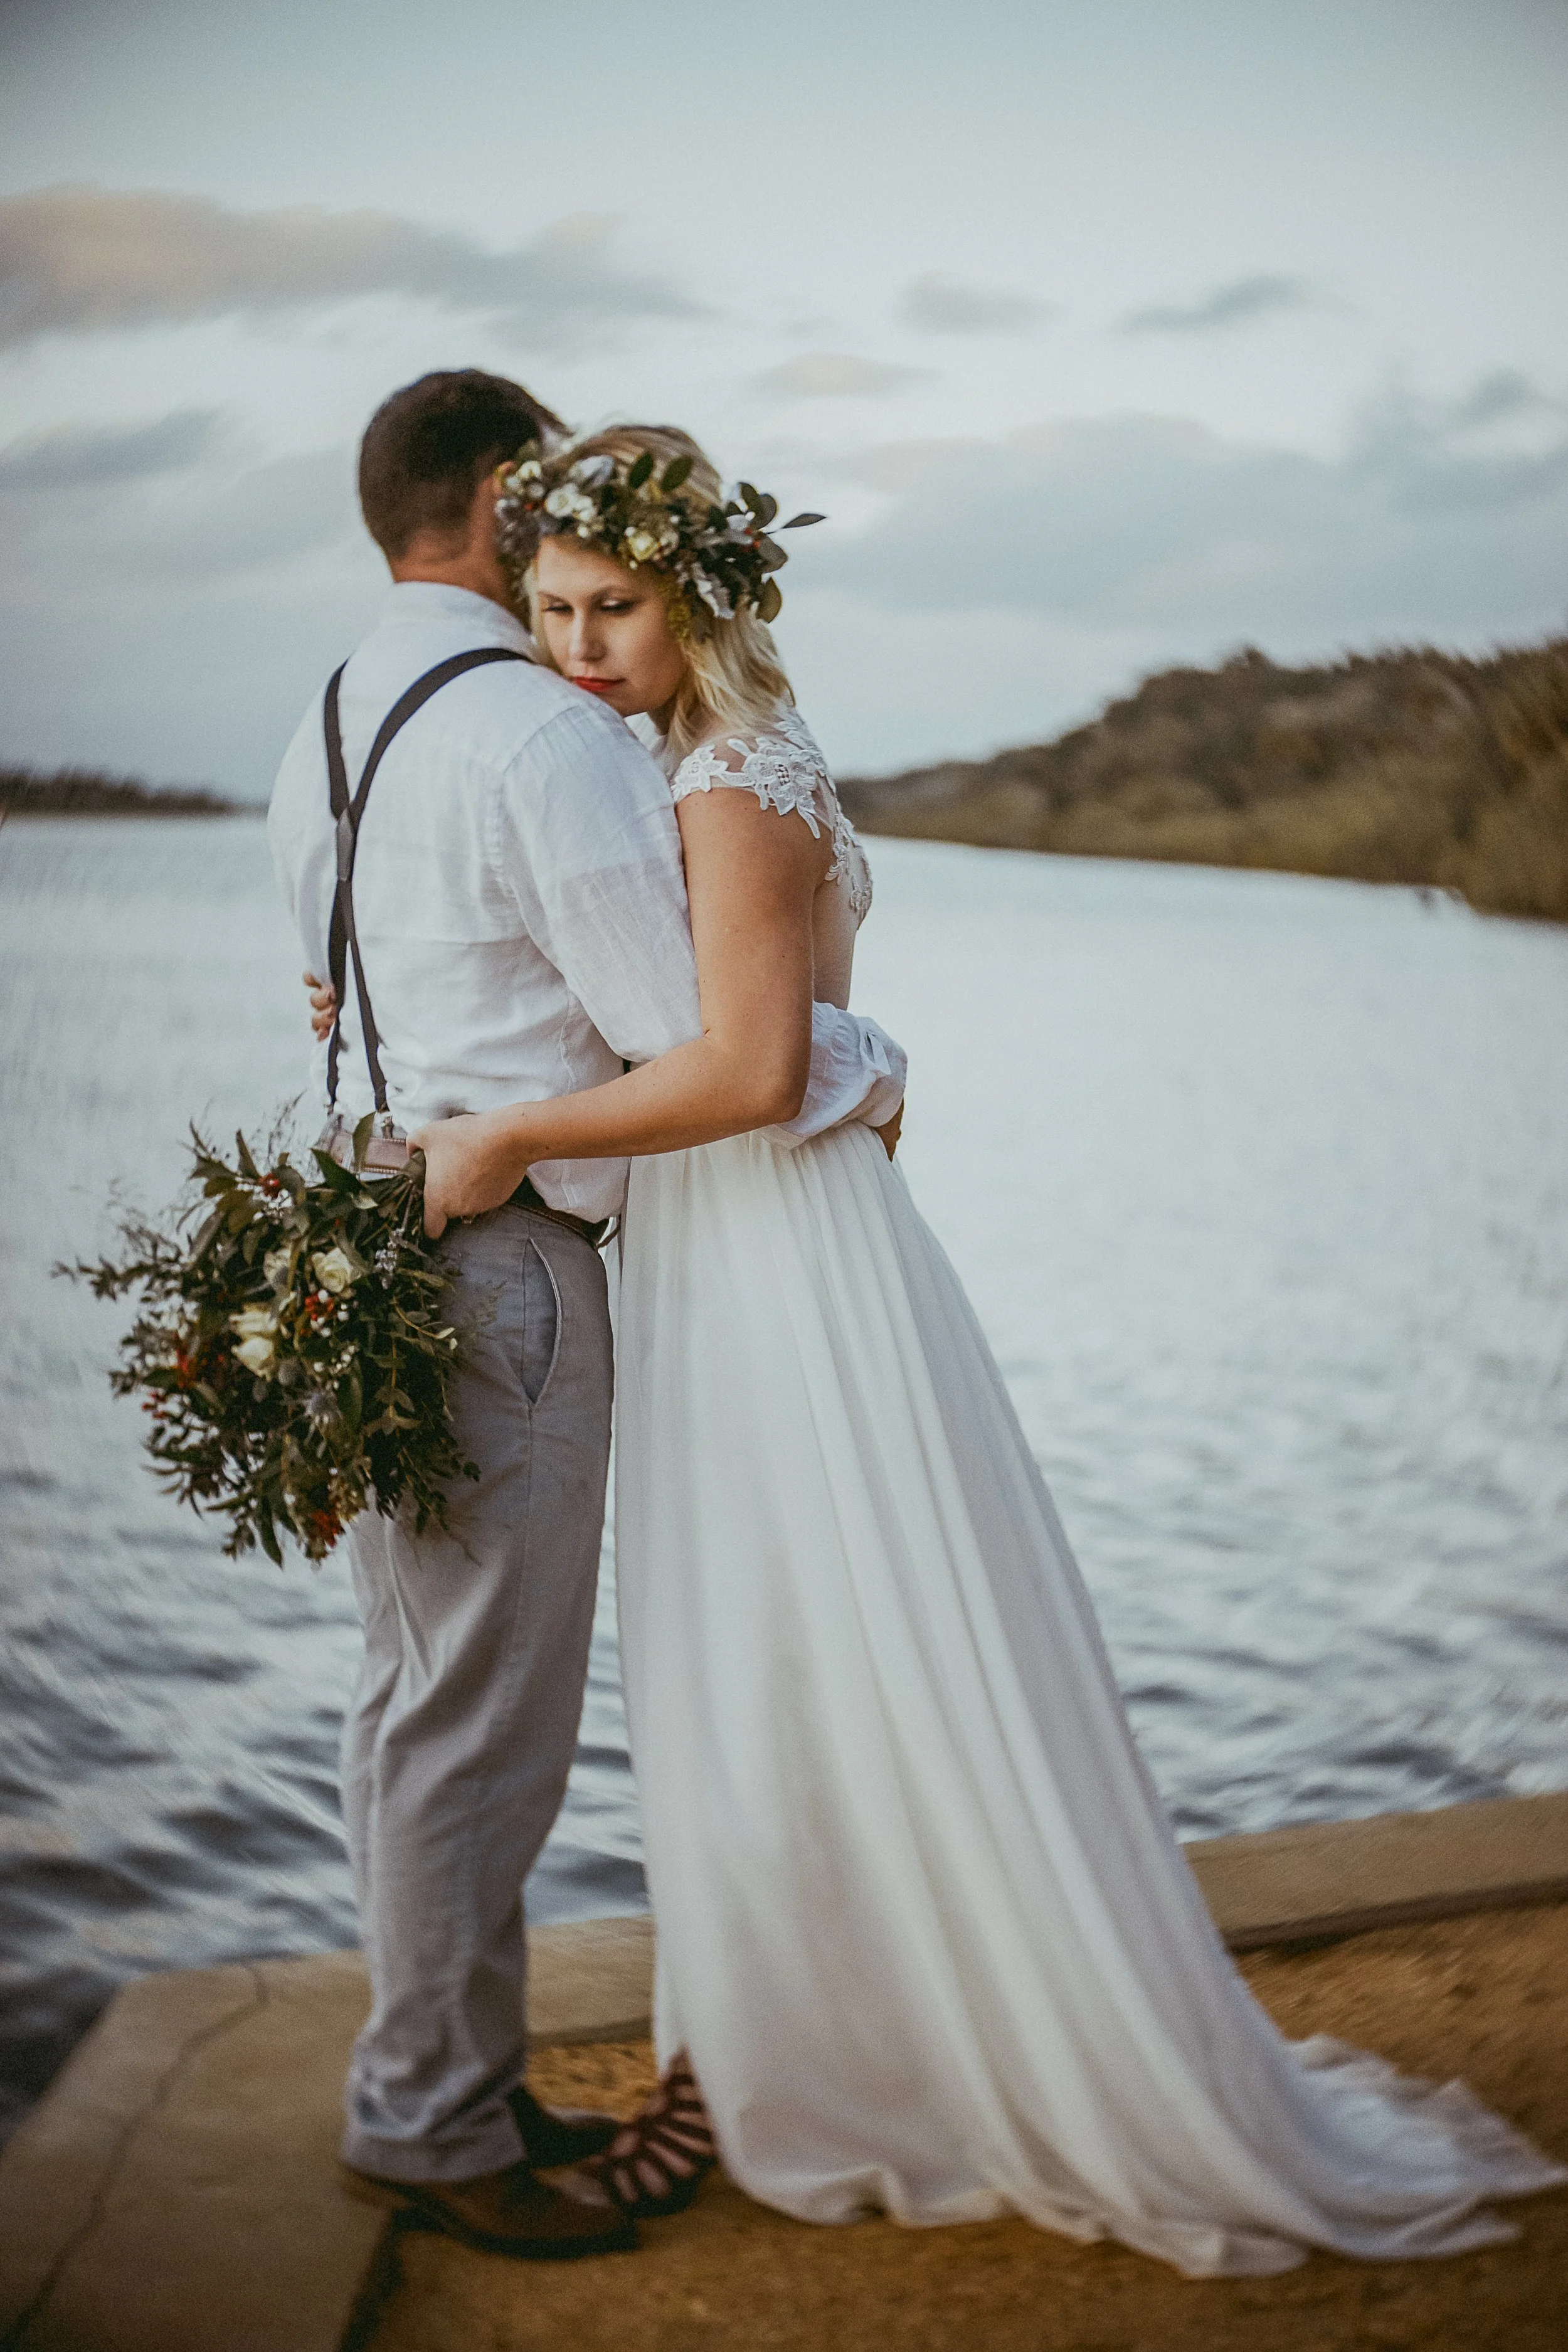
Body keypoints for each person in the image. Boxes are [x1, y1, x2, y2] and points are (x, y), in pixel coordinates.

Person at [398, 420, 1566, 2276]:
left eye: (611, 606)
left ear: (695, 591)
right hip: (753, 1241)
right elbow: (716, 1029)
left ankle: (769, 2065)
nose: (576, 648)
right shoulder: (682, 760)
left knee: (780, 1647)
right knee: (776, 1654)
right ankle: (779, 2037)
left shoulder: (719, 773)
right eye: (546, 610)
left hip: (773, 1257)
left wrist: (511, 1133)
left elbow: (754, 1068)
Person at [268, 373, 905, 2264]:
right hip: (505, 1258)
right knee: (480, 1731)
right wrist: (868, 1061)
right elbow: (703, 1043)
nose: (573, 604)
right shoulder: (542, 740)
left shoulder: (328, 715)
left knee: (409, 1704)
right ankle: (433, 2117)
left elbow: (323, 981)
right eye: (540, 520)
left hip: (368, 1239)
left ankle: (438, 2068)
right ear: (491, 500)